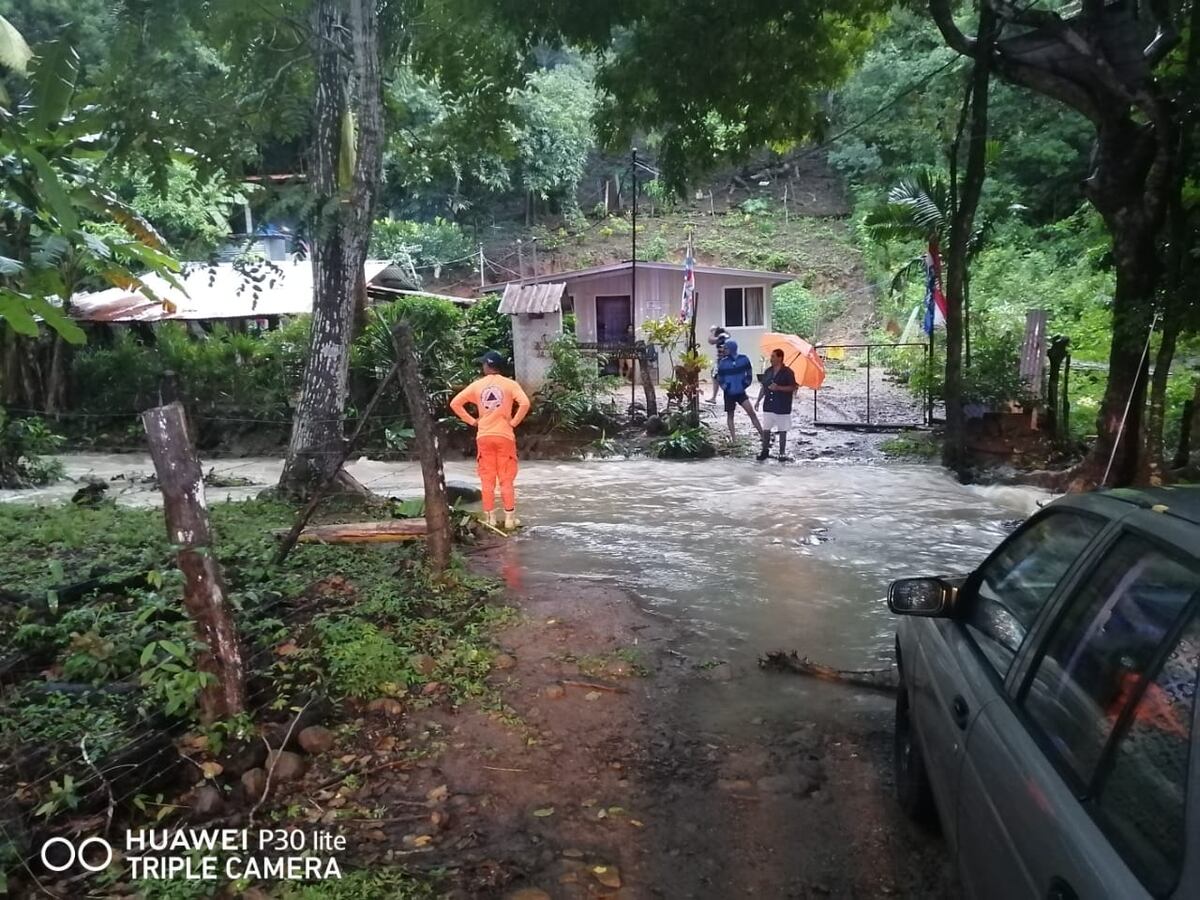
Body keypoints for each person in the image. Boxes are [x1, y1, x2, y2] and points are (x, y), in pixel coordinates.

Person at [449, 351, 531, 530]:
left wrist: (472, 421)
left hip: (484, 436)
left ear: (488, 365)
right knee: (506, 479)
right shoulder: (510, 384)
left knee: (487, 480)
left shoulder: (477, 385)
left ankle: (490, 518)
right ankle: (510, 519)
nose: (482, 367)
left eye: (483, 364)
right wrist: (513, 422)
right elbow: (525, 403)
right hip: (505, 436)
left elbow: (455, 403)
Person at [755, 348, 798, 461]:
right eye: (771, 356)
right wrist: (758, 400)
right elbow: (763, 387)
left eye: (773, 356)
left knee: (782, 430)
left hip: (782, 405)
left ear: (780, 358)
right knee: (766, 429)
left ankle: (782, 453)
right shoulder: (768, 371)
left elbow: (793, 387)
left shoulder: (788, 372)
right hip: (769, 404)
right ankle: (764, 450)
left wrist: (778, 387)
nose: (771, 359)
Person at [716, 339, 763, 442]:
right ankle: (734, 439)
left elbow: (749, 372)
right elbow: (719, 377)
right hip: (729, 393)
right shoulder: (723, 363)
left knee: (751, 412)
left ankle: (763, 435)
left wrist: (745, 384)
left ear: (732, 348)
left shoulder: (744, 359)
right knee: (730, 415)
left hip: (741, 392)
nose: (724, 350)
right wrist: (725, 387)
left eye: (726, 348)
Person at [705, 325, 731, 404]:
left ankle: (731, 396)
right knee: (716, 377)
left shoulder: (721, 338)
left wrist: (713, 332)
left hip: (722, 362)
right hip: (723, 361)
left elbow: (710, 340)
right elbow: (729, 335)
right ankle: (714, 397)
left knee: (719, 378)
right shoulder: (724, 337)